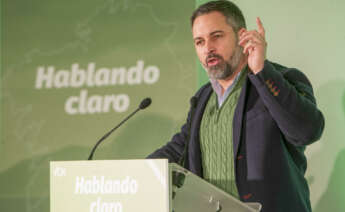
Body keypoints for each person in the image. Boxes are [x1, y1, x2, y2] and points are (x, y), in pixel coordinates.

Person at [148, 1, 325, 211]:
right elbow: (179, 149)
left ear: (242, 36)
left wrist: (261, 70)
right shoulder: (203, 97)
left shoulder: (280, 79)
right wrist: (133, 174)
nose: (208, 48)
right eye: (199, 41)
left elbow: (307, 131)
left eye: (217, 36)